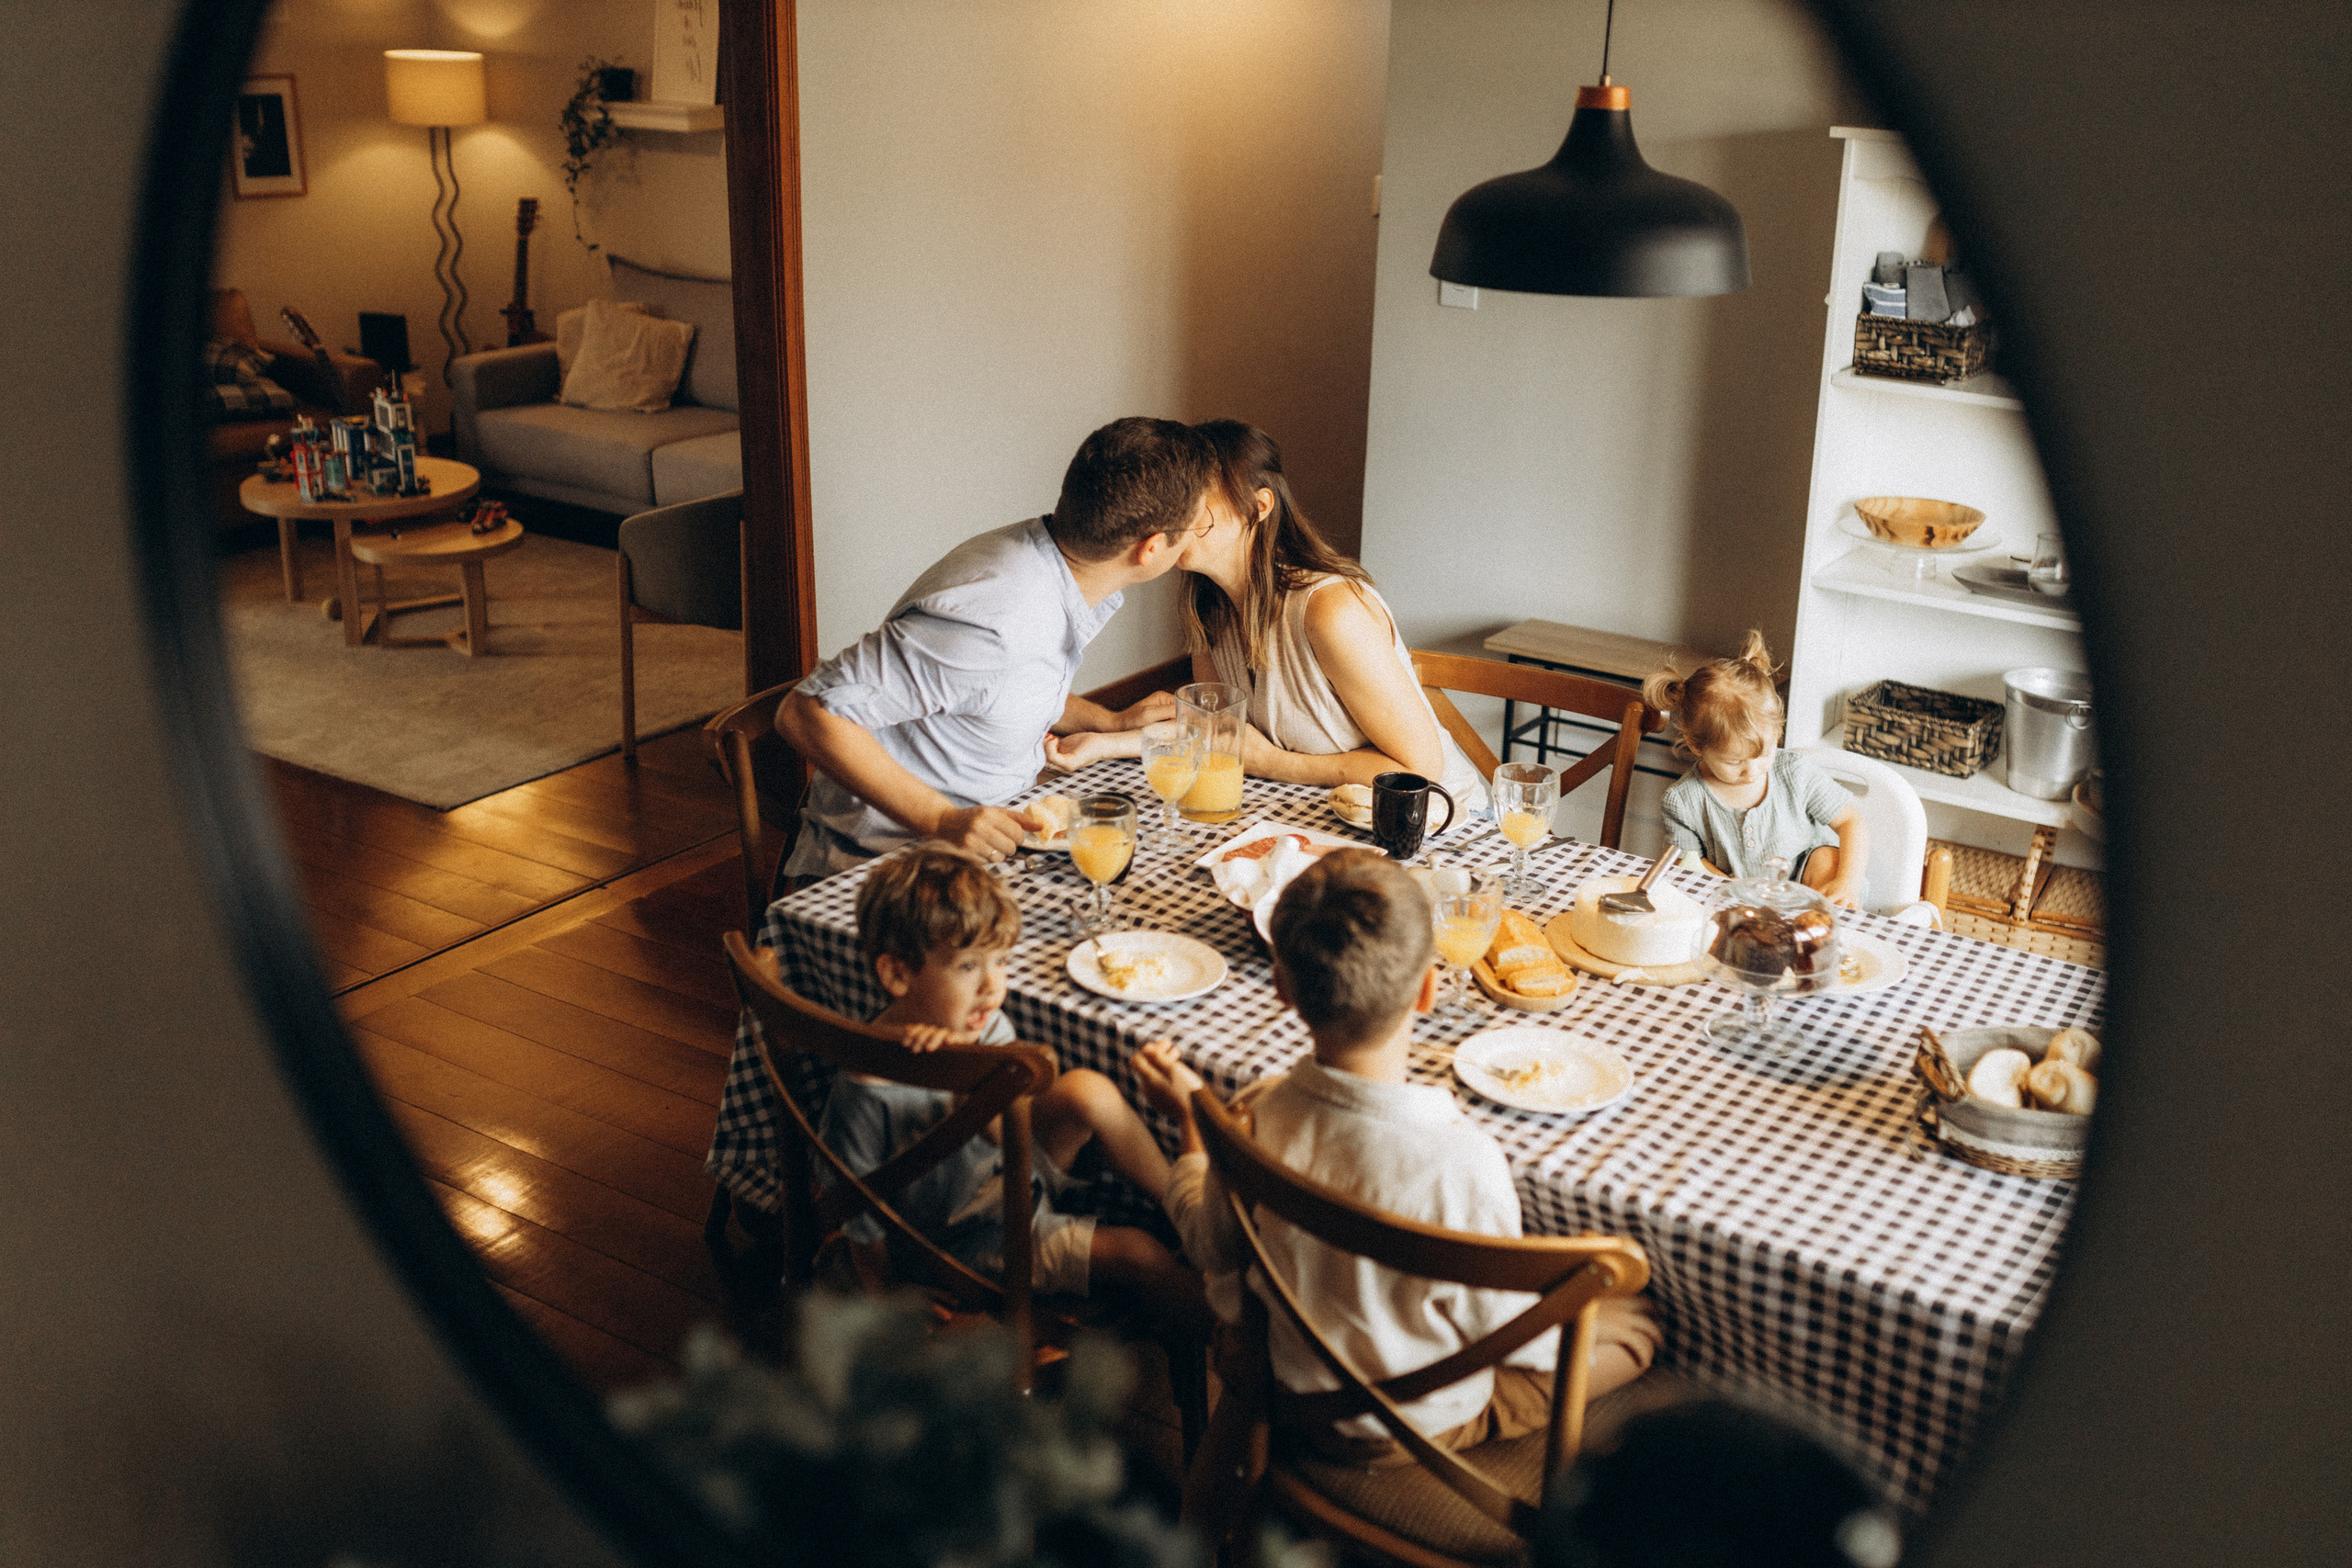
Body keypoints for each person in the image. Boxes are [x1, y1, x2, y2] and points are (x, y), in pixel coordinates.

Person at [1131, 851, 1659, 1473]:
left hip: (1285, 1382)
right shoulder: (1462, 1161)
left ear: (1281, 988)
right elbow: (1508, 1334)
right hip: (1404, 1428)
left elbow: (1209, 1245)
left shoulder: (1252, 1116)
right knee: (1637, 1326)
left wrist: (1195, 1127)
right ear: (1429, 988)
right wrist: (1578, 1315)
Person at [775, 417, 1215, 880]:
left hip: (989, 839)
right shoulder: (993, 622)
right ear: (1150, 548)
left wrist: (1106, 721)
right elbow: (805, 712)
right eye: (1196, 524)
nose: (1198, 534)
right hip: (883, 870)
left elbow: (999, 686)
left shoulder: (1052, 562)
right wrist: (939, 818)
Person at [820, 844, 1204, 1318]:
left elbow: (1008, 1140)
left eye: (1000, 962)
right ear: (898, 975)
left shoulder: (984, 1024)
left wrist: (973, 1090)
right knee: (1140, 1254)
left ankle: (1189, 1218)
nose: (992, 986)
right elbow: (855, 1214)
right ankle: (1238, 1328)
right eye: (968, 966)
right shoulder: (863, 1089)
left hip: (1009, 1176)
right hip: (965, 1239)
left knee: (1088, 1089)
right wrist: (886, 1296)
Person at [1049, 420, 1487, 818]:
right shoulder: (1209, 606)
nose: (1176, 514)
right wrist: (1101, 744)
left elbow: (1421, 772)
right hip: (1318, 818)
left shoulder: (1330, 612)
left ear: (1258, 507)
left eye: (1196, 501)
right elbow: (1216, 735)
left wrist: (1275, 763)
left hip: (1440, 827)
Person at [1643, 632, 1869, 908]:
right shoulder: (1682, 800)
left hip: (1806, 896)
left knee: (1826, 860)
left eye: (1763, 754)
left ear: (1778, 731)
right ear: (1695, 744)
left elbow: (1851, 823)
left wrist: (1847, 882)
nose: (1751, 771)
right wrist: (1734, 890)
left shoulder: (1794, 772)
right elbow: (1686, 863)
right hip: (1735, 904)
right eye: (1734, 762)